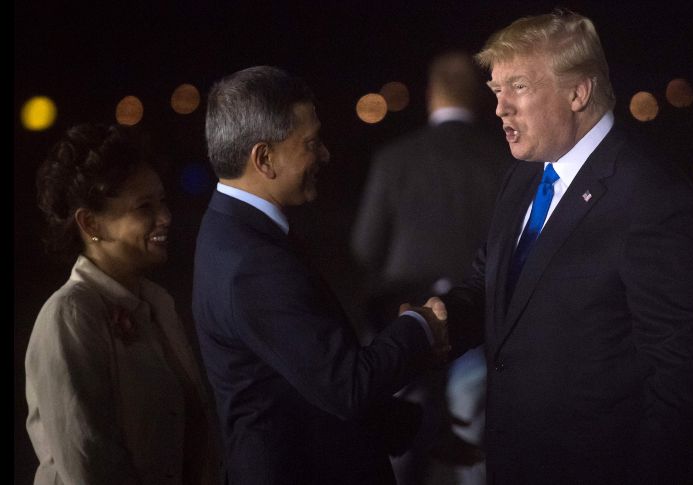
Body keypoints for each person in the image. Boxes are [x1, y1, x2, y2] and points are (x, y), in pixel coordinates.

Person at [424, 9, 693, 484]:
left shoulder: (650, 196)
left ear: (578, 91)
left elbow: (678, 383)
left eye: (519, 88)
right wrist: (433, 322)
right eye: (495, 91)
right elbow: (490, 290)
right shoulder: (523, 176)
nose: (500, 108)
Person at [192, 65, 449, 485]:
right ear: (264, 158)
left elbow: (306, 374)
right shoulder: (252, 261)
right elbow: (345, 385)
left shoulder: (233, 228)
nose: (325, 154)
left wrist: (416, 430)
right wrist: (420, 326)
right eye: (310, 143)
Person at [26, 123, 222, 484]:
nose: (165, 217)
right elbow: (89, 464)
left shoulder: (156, 302)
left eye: (162, 201)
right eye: (144, 207)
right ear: (90, 222)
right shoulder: (70, 316)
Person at [351, 51, 511, 485]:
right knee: (473, 432)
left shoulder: (394, 158)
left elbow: (365, 244)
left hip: (405, 314)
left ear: (430, 95)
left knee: (400, 431)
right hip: (477, 314)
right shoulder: (503, 160)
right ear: (477, 97)